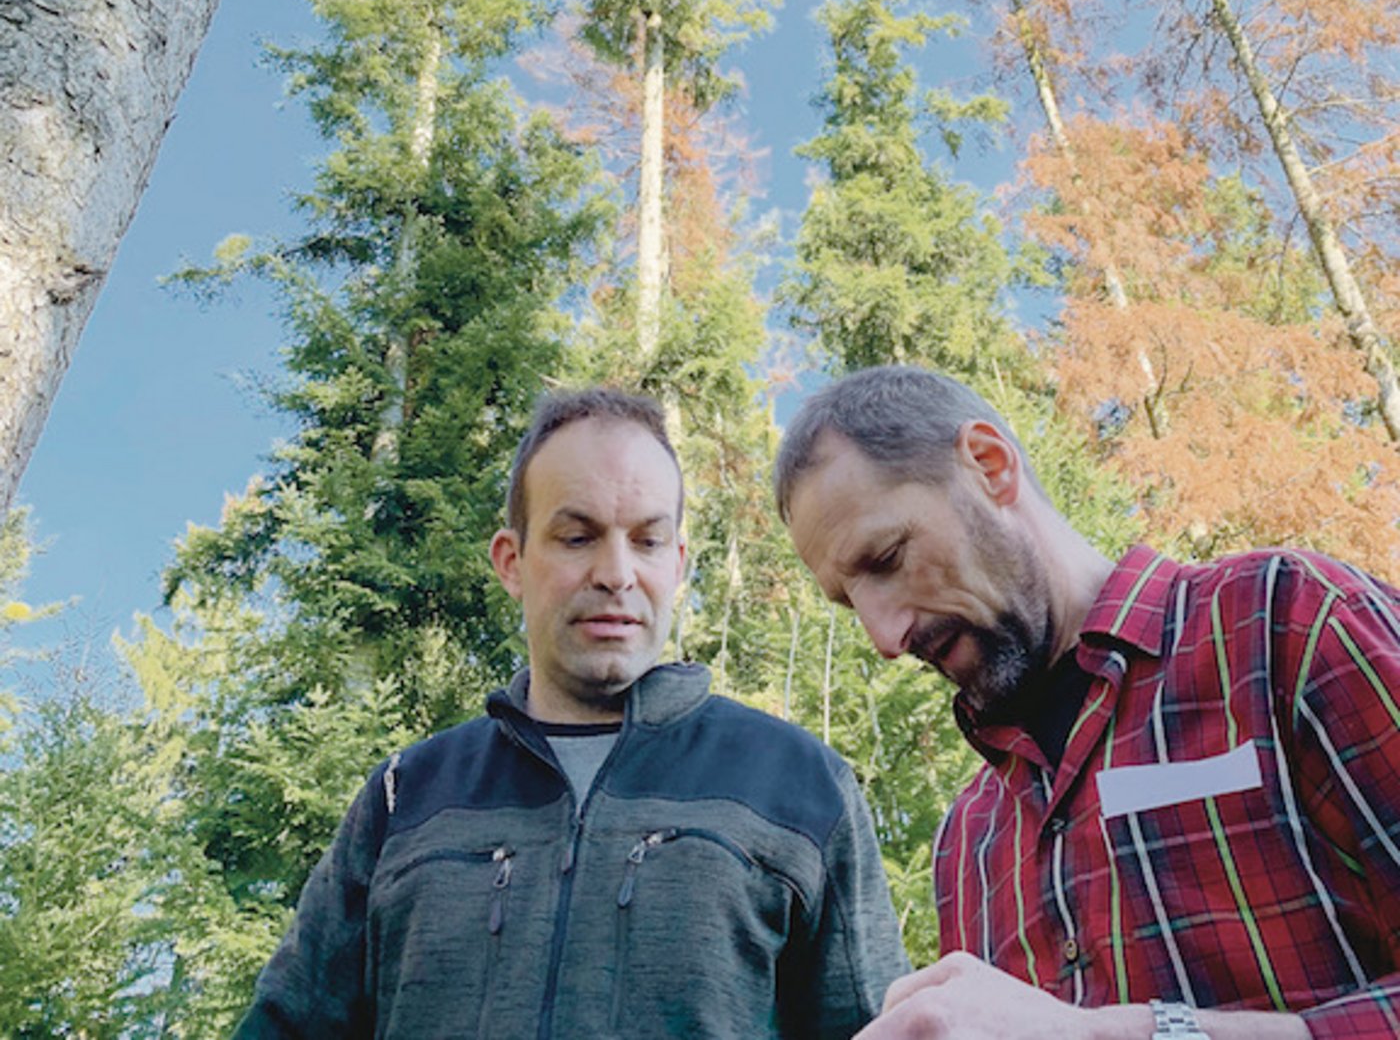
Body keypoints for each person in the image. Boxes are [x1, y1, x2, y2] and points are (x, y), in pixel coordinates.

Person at [236, 384, 906, 1038]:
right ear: (512, 561)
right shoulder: (404, 795)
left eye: (646, 541)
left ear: (677, 565)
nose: (616, 572)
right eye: (578, 536)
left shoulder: (800, 784)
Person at [774, 364, 1400, 1040]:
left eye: (888, 557)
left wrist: (1118, 1034)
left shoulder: (1288, 620)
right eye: (848, 601)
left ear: (989, 464)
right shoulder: (969, 840)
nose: (884, 636)